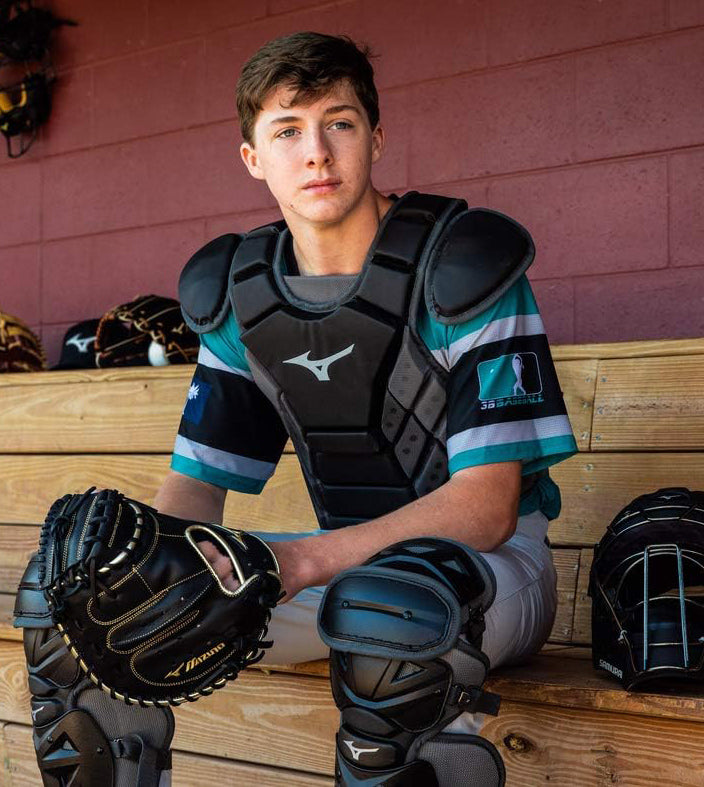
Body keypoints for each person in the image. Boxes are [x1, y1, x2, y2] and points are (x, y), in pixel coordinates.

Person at [20, 31, 578, 786]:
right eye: (287, 130)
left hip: (491, 573)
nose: (316, 152)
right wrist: (153, 564)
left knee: (388, 614)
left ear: (375, 137)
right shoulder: (242, 297)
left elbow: (486, 508)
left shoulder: (462, 268)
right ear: (252, 156)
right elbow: (196, 488)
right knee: (75, 603)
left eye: (339, 123)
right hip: (337, 571)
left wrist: (304, 558)